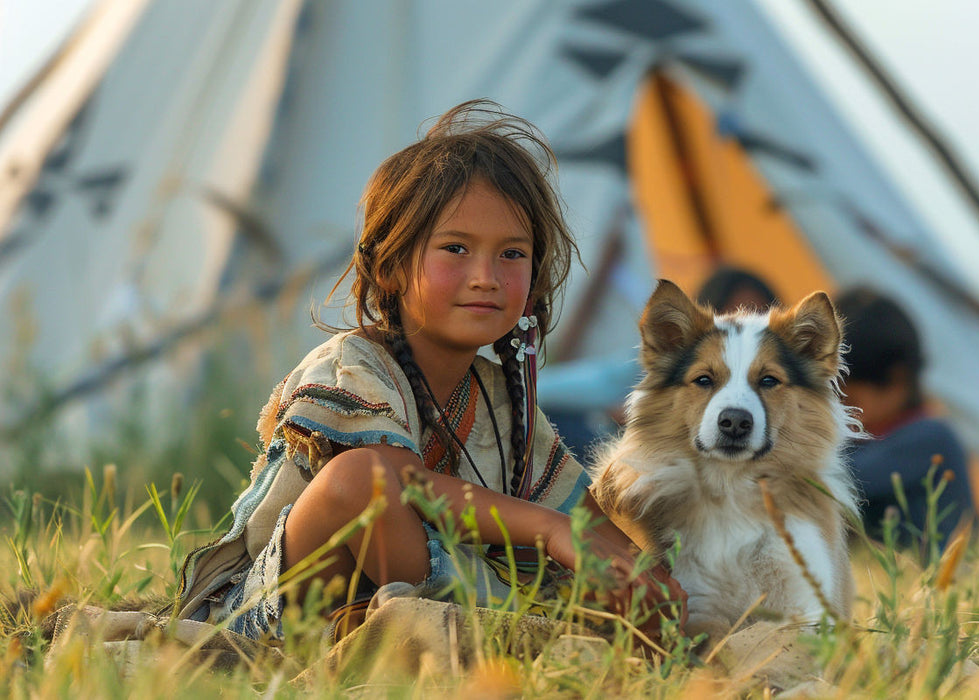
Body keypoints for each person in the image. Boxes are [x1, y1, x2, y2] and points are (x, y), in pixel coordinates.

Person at [173, 100, 685, 641]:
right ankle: (457, 636)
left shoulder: (503, 404)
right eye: (456, 248)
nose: (485, 276)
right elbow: (392, 485)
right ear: (391, 266)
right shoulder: (352, 366)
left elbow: (592, 528)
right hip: (274, 612)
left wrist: (642, 574)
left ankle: (450, 636)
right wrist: (548, 528)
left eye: (512, 254)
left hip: (411, 605)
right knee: (359, 478)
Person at [539, 264, 779, 456]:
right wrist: (631, 411)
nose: (742, 328)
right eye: (731, 315)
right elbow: (547, 390)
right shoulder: (671, 352)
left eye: (756, 318)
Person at [836, 286, 973, 550]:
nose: (842, 413)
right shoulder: (865, 440)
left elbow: (842, 478)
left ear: (897, 381)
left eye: (850, 401)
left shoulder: (931, 438)